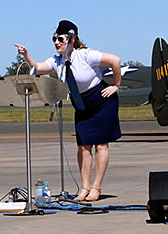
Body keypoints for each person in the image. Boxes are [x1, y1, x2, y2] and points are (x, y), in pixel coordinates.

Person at [14, 20, 121, 202]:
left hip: (102, 100)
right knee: (83, 146)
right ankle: (85, 187)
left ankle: (96, 187)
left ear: (71, 39)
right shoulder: (57, 61)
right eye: (54, 39)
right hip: (81, 104)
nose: (56, 42)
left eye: (60, 39)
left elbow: (115, 60)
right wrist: (26, 55)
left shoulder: (85, 55)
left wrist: (116, 85)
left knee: (101, 145)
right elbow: (38, 68)